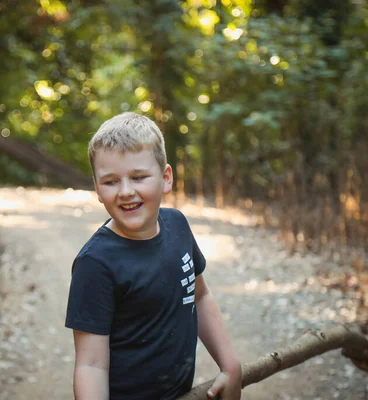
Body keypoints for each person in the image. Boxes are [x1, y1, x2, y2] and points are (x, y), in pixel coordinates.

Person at [65, 112, 242, 400]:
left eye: (138, 177)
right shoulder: (95, 264)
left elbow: (200, 295)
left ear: (166, 178)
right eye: (110, 182)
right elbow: (91, 364)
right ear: (97, 188)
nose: (125, 192)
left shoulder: (178, 226)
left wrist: (230, 366)